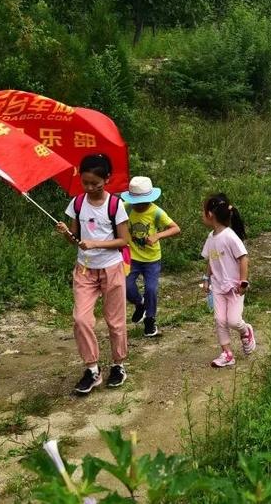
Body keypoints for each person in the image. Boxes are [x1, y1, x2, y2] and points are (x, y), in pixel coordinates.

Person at [56, 154, 131, 393]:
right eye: (85, 183)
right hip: (85, 269)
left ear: (106, 179)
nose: (89, 188)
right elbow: (76, 241)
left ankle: (118, 365)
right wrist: (67, 233)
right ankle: (92, 369)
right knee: (81, 319)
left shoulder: (115, 205)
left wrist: (96, 244)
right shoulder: (77, 204)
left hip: (111, 267)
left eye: (95, 184)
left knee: (115, 321)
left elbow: (124, 240)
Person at [121, 176, 181, 337]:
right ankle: (140, 304)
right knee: (126, 285)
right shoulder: (125, 208)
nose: (140, 205)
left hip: (152, 259)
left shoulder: (156, 212)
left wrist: (158, 236)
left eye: (144, 201)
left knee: (151, 289)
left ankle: (150, 319)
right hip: (132, 257)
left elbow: (175, 228)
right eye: (137, 201)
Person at [201, 194, 256, 368]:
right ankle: (227, 353)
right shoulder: (211, 237)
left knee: (233, 320)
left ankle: (246, 331)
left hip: (234, 288)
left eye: (203, 212)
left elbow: (244, 258)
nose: (202, 215)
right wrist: (206, 278)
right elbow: (211, 259)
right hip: (217, 286)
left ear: (210, 214)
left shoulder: (230, 236)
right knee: (220, 320)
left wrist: (243, 281)